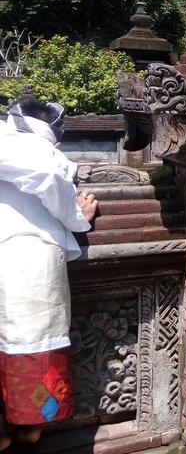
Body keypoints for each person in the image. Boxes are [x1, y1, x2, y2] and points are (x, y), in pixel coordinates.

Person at [0, 94, 98, 451]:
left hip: (19, 253)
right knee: (34, 347)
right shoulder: (38, 150)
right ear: (55, 137)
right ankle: (30, 431)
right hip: (26, 256)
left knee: (31, 346)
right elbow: (44, 175)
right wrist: (75, 217)